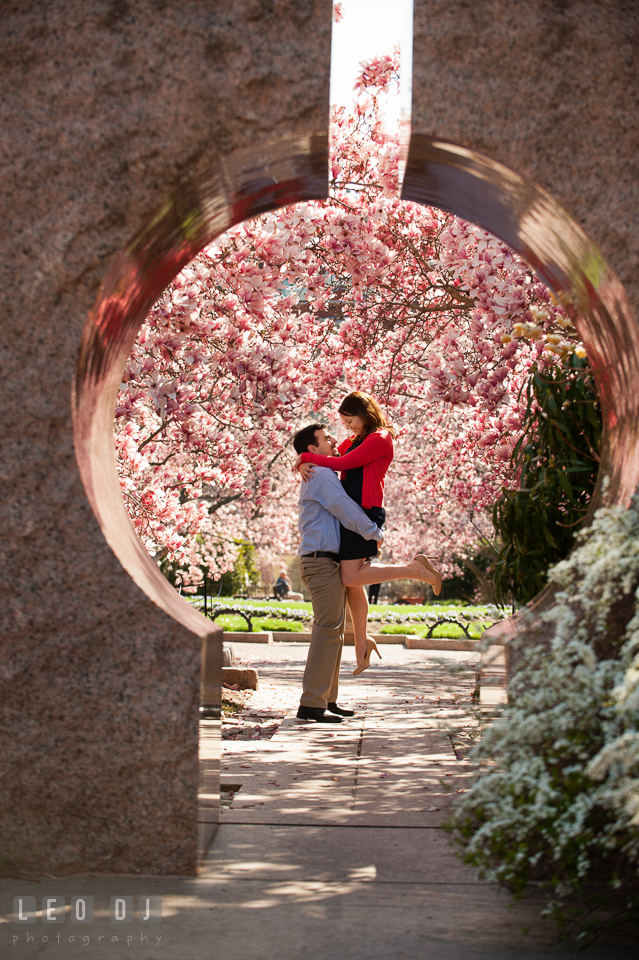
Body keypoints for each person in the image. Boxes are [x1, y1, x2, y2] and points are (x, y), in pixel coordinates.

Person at [296, 392, 441, 675]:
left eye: (350, 421)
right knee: (352, 582)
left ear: (364, 414)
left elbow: (341, 464)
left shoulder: (380, 438)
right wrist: (302, 461)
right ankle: (362, 642)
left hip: (364, 512)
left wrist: (304, 457)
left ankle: (415, 569)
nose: (347, 428)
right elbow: (332, 453)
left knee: (350, 576)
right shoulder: (356, 440)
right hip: (352, 514)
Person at [293, 422, 385, 723]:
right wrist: (372, 531)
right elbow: (342, 506)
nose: (333, 440)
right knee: (327, 630)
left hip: (326, 561)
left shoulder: (319, 470)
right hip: (320, 562)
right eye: (324, 439)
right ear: (312, 449)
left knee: (333, 631)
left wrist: (301, 461)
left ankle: (326, 699)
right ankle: (311, 704)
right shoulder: (320, 474)